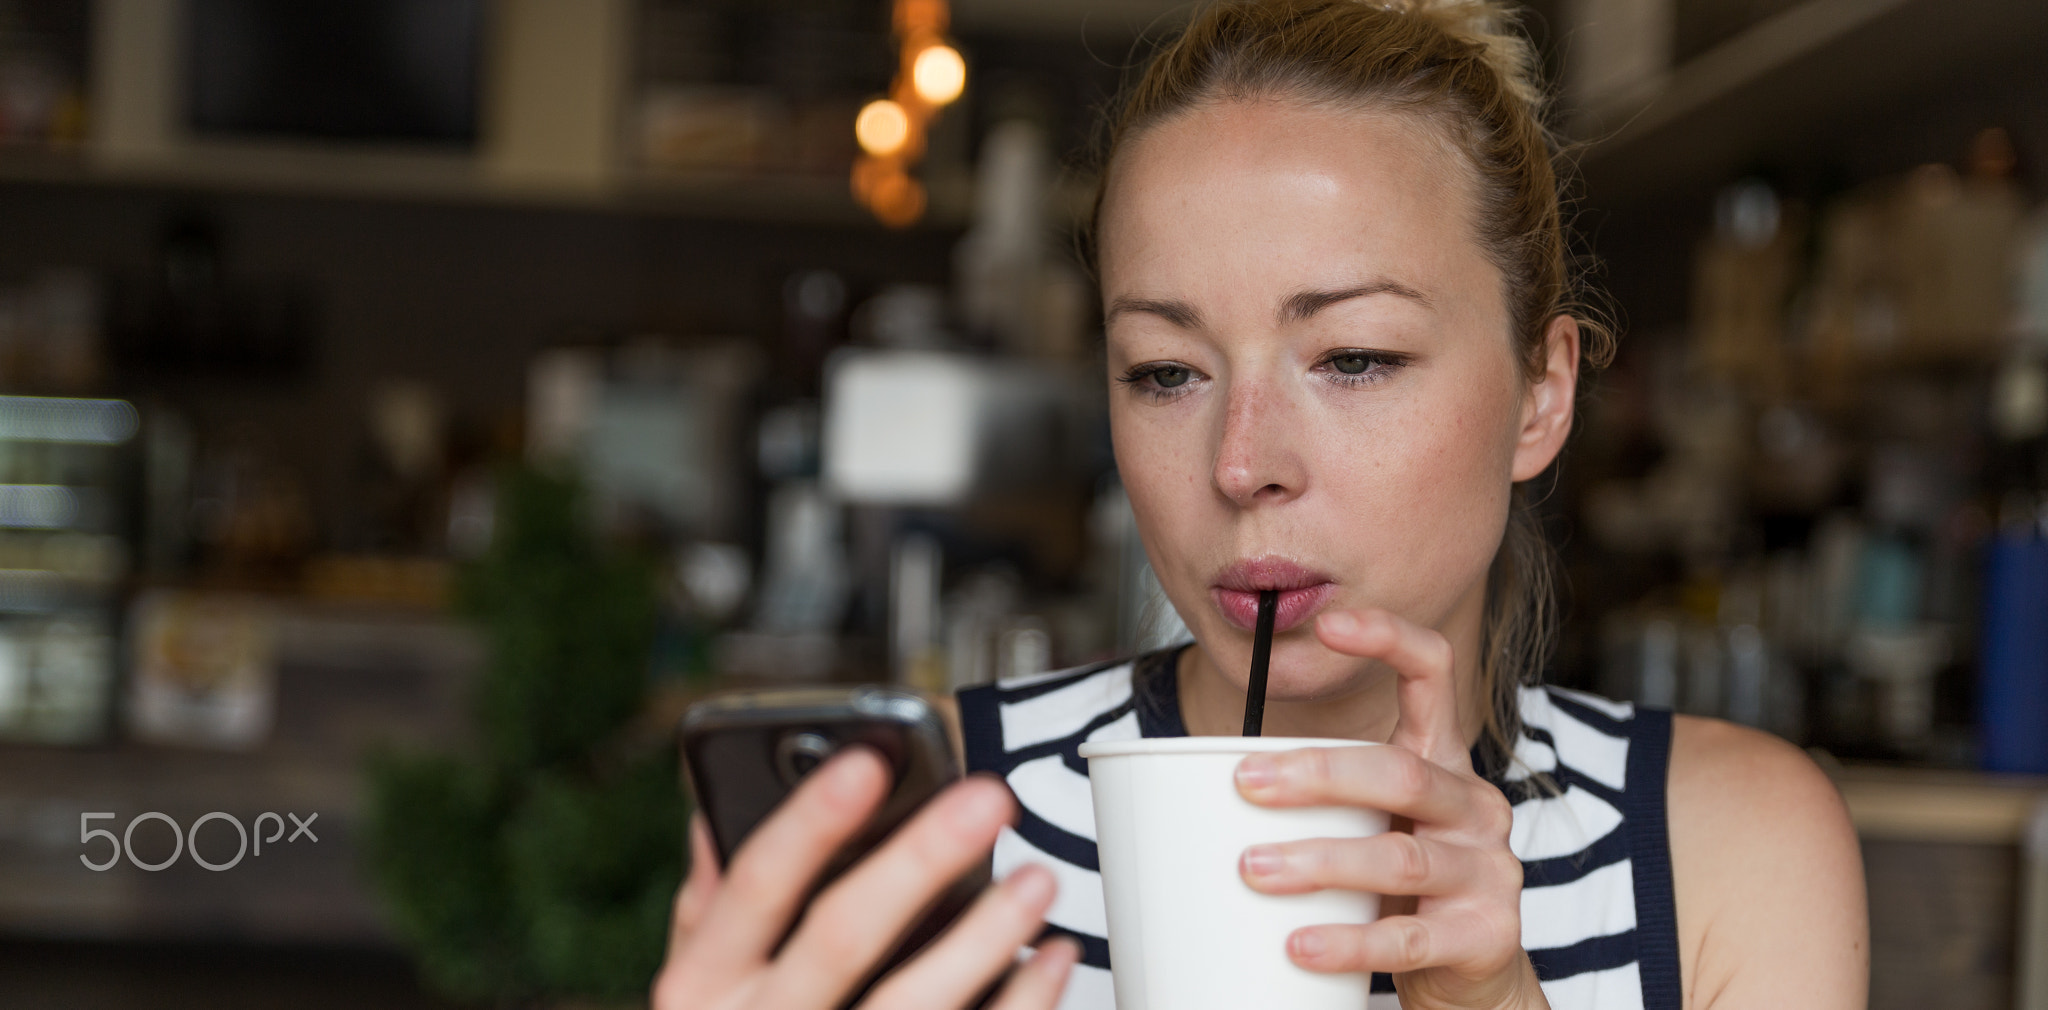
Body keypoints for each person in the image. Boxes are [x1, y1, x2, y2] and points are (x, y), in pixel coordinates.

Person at [651, 1, 1870, 1008]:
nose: (1242, 463)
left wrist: (1489, 997)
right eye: (1166, 372)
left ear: (1541, 394)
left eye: (1351, 358)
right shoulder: (939, 823)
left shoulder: (1724, 848)